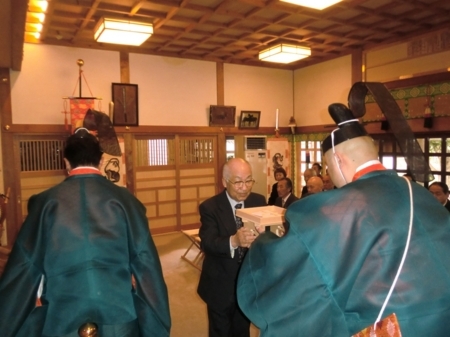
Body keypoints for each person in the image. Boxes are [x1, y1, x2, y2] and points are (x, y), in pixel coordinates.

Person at [237, 103, 450, 336]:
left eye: (328, 166)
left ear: (338, 160)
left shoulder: (337, 206)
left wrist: (262, 243)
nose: (329, 174)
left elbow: (301, 276)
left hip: (385, 326)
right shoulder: (422, 194)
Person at [0, 128, 171, 337]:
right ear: (100, 162)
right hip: (117, 310)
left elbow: (26, 264)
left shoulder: (45, 203)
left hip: (63, 313)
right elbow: (146, 262)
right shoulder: (126, 201)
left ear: (66, 163)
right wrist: (156, 318)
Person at [197, 157, 266, 337]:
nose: (245, 187)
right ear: (224, 182)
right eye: (238, 182)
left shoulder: (258, 201)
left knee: (242, 330)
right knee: (220, 331)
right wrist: (234, 241)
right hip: (219, 283)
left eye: (249, 180)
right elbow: (207, 242)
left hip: (248, 282)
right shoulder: (210, 207)